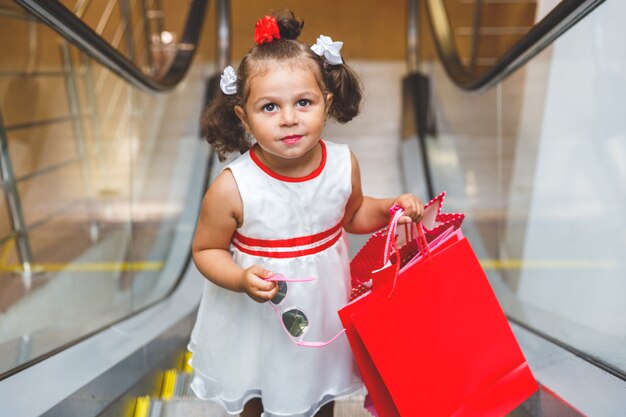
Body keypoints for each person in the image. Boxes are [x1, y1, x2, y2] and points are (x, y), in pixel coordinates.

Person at [188, 10, 424, 417]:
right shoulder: (233, 186)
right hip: (254, 315)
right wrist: (240, 278)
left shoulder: (342, 163)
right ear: (243, 116)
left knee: (318, 391)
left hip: (320, 307)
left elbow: (351, 216)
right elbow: (207, 250)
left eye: (303, 102)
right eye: (269, 107)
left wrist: (387, 209)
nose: (289, 118)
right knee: (255, 392)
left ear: (326, 103)